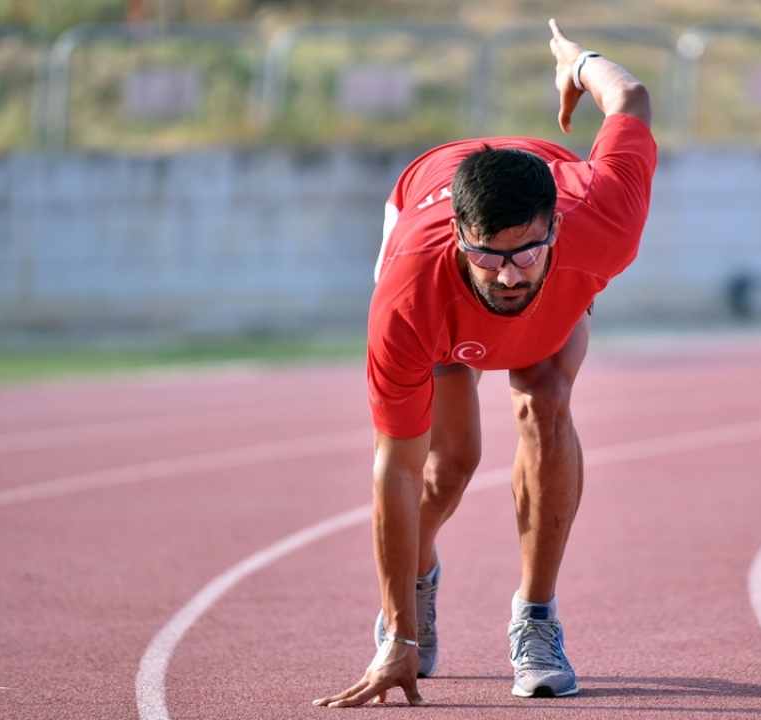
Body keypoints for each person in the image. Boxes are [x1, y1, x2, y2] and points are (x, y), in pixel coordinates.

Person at [313, 18, 655, 708]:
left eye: (525, 253)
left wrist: (578, 61)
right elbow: (395, 469)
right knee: (449, 465)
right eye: (488, 258)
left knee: (545, 401)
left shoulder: (600, 219)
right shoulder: (409, 298)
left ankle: (536, 618)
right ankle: (417, 584)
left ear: (555, 228)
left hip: (546, 227)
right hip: (428, 218)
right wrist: (399, 641)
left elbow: (631, 99)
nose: (507, 278)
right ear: (460, 242)